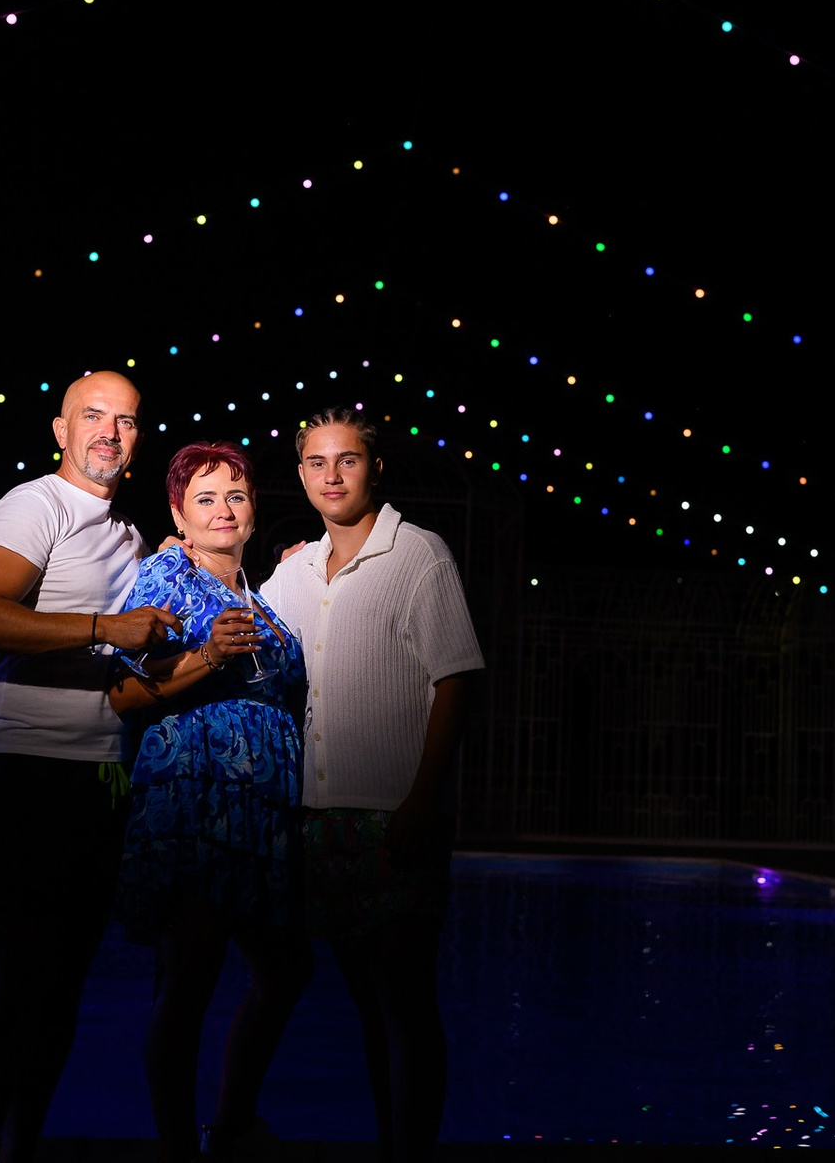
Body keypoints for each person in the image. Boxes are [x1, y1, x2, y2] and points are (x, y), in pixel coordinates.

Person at [0, 370, 181, 1163]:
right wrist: (104, 627)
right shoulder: (34, 506)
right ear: (60, 429)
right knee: (11, 982)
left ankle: (20, 1151)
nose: (109, 433)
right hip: (23, 769)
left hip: (101, 776)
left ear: (138, 439)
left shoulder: (128, 537)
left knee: (63, 986)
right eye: (93, 416)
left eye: (126, 421)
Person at [260, 408, 484, 1163]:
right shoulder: (295, 571)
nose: (332, 475)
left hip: (395, 817)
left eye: (347, 460)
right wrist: (181, 554)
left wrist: (423, 799)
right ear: (301, 475)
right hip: (317, 820)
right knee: (365, 1001)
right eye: (316, 462)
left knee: (405, 1002)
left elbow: (455, 681)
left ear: (374, 469)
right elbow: (236, 622)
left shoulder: (419, 555)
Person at [107, 442, 315, 1162]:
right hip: (194, 801)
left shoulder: (266, 596)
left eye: (236, 495)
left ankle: (229, 1124)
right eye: (204, 498)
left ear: (254, 510)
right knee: (188, 981)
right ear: (178, 515)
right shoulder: (168, 574)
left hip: (262, 811)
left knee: (287, 969)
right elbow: (123, 693)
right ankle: (178, 1148)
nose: (223, 509)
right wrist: (207, 657)